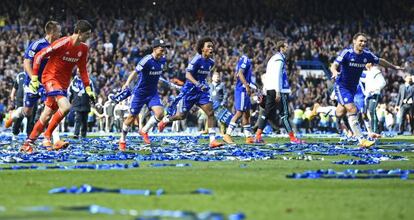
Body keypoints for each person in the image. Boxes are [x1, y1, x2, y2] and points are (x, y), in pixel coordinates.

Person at [20, 20, 96, 153]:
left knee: (47, 114)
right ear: (79, 33)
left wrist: (88, 89)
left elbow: (83, 69)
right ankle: (47, 135)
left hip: (63, 83)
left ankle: (28, 143)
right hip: (50, 78)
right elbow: (39, 55)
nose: (89, 36)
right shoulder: (63, 42)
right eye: (87, 34)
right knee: (66, 107)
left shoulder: (84, 48)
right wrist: (34, 78)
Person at [330, 32, 403, 147]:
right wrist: (334, 72)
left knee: (339, 112)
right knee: (353, 110)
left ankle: (320, 110)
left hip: (353, 88)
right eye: (361, 41)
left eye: (365, 41)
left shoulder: (367, 55)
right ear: (354, 41)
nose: (363, 43)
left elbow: (380, 60)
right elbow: (334, 65)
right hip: (342, 86)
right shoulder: (346, 53)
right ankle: (361, 140)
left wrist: (394, 67)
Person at [157, 37, 223, 148]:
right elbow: (188, 75)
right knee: (181, 116)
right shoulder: (196, 60)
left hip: (201, 92)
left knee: (210, 113)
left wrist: (203, 85)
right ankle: (166, 119)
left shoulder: (211, 63)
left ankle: (212, 141)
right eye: (208, 46)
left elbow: (203, 76)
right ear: (202, 48)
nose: (211, 48)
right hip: (190, 91)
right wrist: (197, 84)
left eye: (212, 46)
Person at [5, 21, 61, 137]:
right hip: (32, 82)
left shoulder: (57, 46)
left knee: (53, 108)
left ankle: (54, 140)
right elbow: (26, 63)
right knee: (27, 112)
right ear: (52, 32)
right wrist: (33, 79)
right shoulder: (37, 45)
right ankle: (15, 114)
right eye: (59, 31)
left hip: (48, 83)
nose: (60, 34)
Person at [118, 39, 169, 150]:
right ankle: (122, 139)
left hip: (152, 93)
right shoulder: (146, 60)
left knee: (160, 114)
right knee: (131, 118)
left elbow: (158, 72)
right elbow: (135, 72)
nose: (164, 50)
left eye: (164, 48)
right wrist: (127, 83)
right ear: (155, 49)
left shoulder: (163, 60)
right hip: (139, 93)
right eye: (162, 48)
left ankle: (144, 130)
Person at [255, 40, 304, 144]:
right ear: (281, 48)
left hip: (270, 89)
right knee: (285, 114)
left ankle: (258, 136)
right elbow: (277, 75)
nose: (288, 48)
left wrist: (265, 88)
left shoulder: (272, 59)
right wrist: (278, 91)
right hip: (279, 90)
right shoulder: (279, 59)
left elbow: (268, 74)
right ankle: (292, 138)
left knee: (266, 113)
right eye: (286, 46)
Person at [223, 45, 255, 144]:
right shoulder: (245, 60)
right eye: (252, 51)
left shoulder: (243, 60)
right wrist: (246, 86)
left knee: (246, 113)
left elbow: (238, 74)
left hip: (243, 88)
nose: (254, 53)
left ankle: (248, 137)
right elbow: (240, 74)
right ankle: (227, 134)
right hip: (242, 90)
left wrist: (252, 86)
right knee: (240, 112)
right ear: (249, 51)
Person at [69, 75, 95, 139]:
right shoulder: (73, 82)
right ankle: (76, 134)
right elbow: (70, 92)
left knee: (84, 120)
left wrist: (93, 101)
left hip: (85, 102)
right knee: (78, 119)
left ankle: (83, 134)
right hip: (77, 103)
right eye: (78, 71)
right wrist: (69, 101)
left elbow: (92, 92)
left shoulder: (89, 81)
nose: (79, 73)